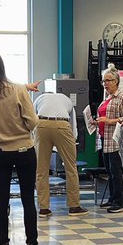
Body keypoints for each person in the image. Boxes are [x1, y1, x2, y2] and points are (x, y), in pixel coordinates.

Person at [0, 51, 46, 245]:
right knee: (27, 200)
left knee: (1, 199)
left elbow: (1, 96)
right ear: (2, 67)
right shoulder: (17, 90)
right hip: (24, 151)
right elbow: (33, 122)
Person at [32, 88, 86, 217]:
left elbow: (32, 119)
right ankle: (74, 207)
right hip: (62, 124)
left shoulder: (39, 99)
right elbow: (73, 125)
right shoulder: (65, 98)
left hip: (41, 124)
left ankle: (43, 208)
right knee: (71, 168)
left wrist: (34, 138)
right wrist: (72, 141)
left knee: (41, 170)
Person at [95, 65, 123, 213]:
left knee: (115, 170)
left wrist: (109, 121)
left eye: (108, 80)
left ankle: (121, 202)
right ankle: (112, 198)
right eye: (103, 81)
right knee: (109, 171)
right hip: (104, 137)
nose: (105, 84)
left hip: (115, 139)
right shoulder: (107, 97)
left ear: (116, 81)